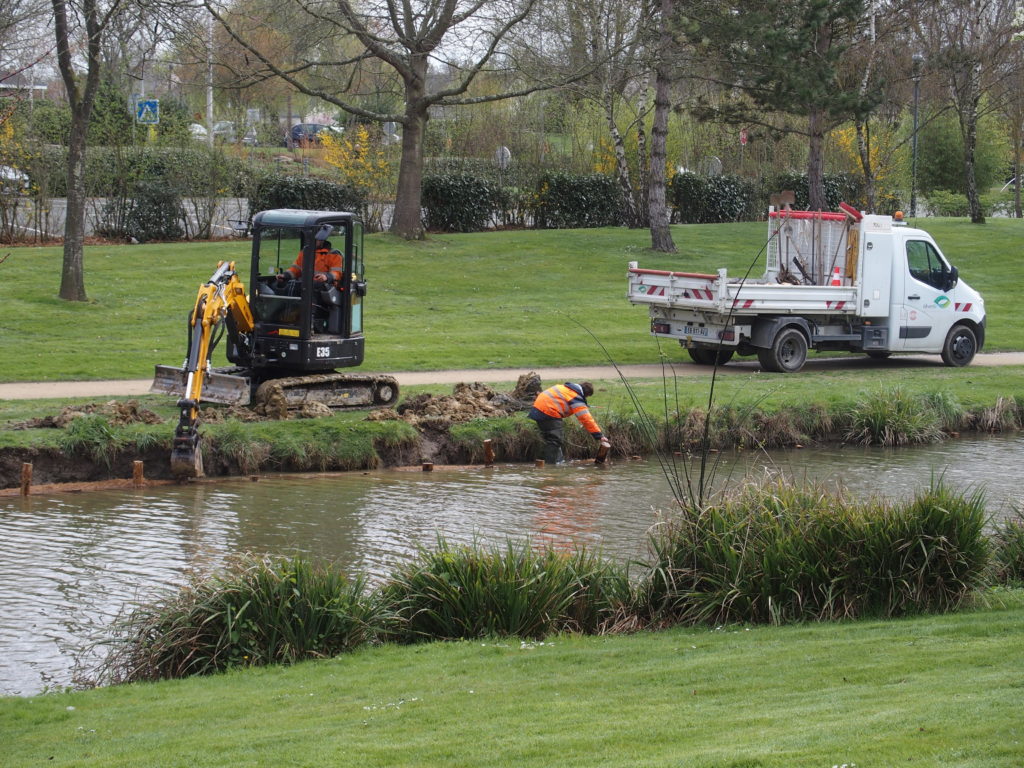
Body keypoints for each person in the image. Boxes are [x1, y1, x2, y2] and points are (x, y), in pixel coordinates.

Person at [528, 381, 610, 465]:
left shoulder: (566, 388)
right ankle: (550, 466)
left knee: (552, 439)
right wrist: (599, 435)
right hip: (549, 411)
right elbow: (586, 419)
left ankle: (555, 462)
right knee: (555, 440)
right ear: (586, 394)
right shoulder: (576, 397)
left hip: (537, 409)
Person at [278, 224, 343, 285]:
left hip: (324, 288)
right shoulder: (305, 252)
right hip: (304, 286)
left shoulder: (334, 254)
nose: (314, 241)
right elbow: (296, 269)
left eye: (317, 239)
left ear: (322, 240)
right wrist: (285, 275)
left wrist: (326, 277)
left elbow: (337, 273)